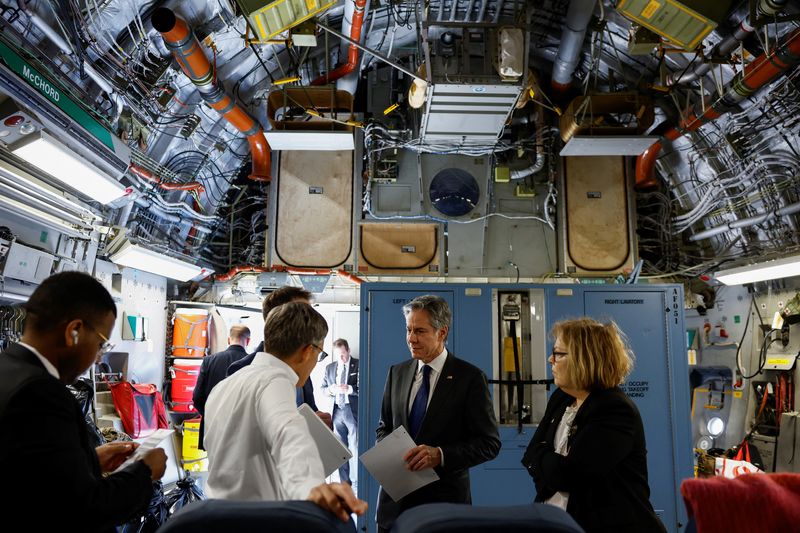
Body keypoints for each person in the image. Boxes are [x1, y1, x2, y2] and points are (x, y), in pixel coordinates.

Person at [0, 272, 167, 532]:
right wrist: (145, 473)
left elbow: (30, 477)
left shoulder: (8, 370)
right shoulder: (41, 394)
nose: (99, 358)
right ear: (74, 331)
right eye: (101, 344)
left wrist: (88, 460)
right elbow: (83, 510)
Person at [204, 302, 367, 522]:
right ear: (307, 351)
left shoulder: (225, 386)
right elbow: (289, 435)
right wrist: (311, 487)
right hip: (259, 521)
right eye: (319, 354)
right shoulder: (275, 381)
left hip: (218, 518)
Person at [522, 318, 665, 533]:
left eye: (559, 353)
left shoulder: (614, 409)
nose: (551, 359)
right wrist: (548, 462)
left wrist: (544, 458)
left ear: (584, 359)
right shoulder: (561, 397)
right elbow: (530, 455)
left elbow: (569, 475)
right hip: (558, 521)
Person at [375, 295, 501, 532]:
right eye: (408, 330)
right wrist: (393, 452)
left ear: (442, 333)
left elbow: (489, 443)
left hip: (445, 506)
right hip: (395, 507)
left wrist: (440, 455)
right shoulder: (397, 373)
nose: (411, 339)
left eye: (420, 331)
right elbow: (384, 427)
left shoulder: (470, 378)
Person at [227, 286, 329, 425]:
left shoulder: (301, 362)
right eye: (302, 314)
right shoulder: (241, 370)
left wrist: (317, 421)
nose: (310, 320)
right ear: (276, 318)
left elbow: (307, 408)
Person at [192, 325, 251, 449]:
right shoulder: (253, 363)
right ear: (248, 341)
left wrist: (210, 414)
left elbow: (197, 397)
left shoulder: (209, 361)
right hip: (242, 430)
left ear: (229, 340)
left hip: (212, 427)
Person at [321, 338, 358, 485]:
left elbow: (365, 388)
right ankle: (345, 484)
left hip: (352, 410)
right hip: (336, 411)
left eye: (343, 354)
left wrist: (349, 389)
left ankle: (356, 481)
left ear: (348, 351)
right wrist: (332, 389)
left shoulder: (359, 364)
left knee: (355, 448)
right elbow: (323, 389)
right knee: (340, 451)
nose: (341, 358)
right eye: (338, 356)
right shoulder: (330, 368)